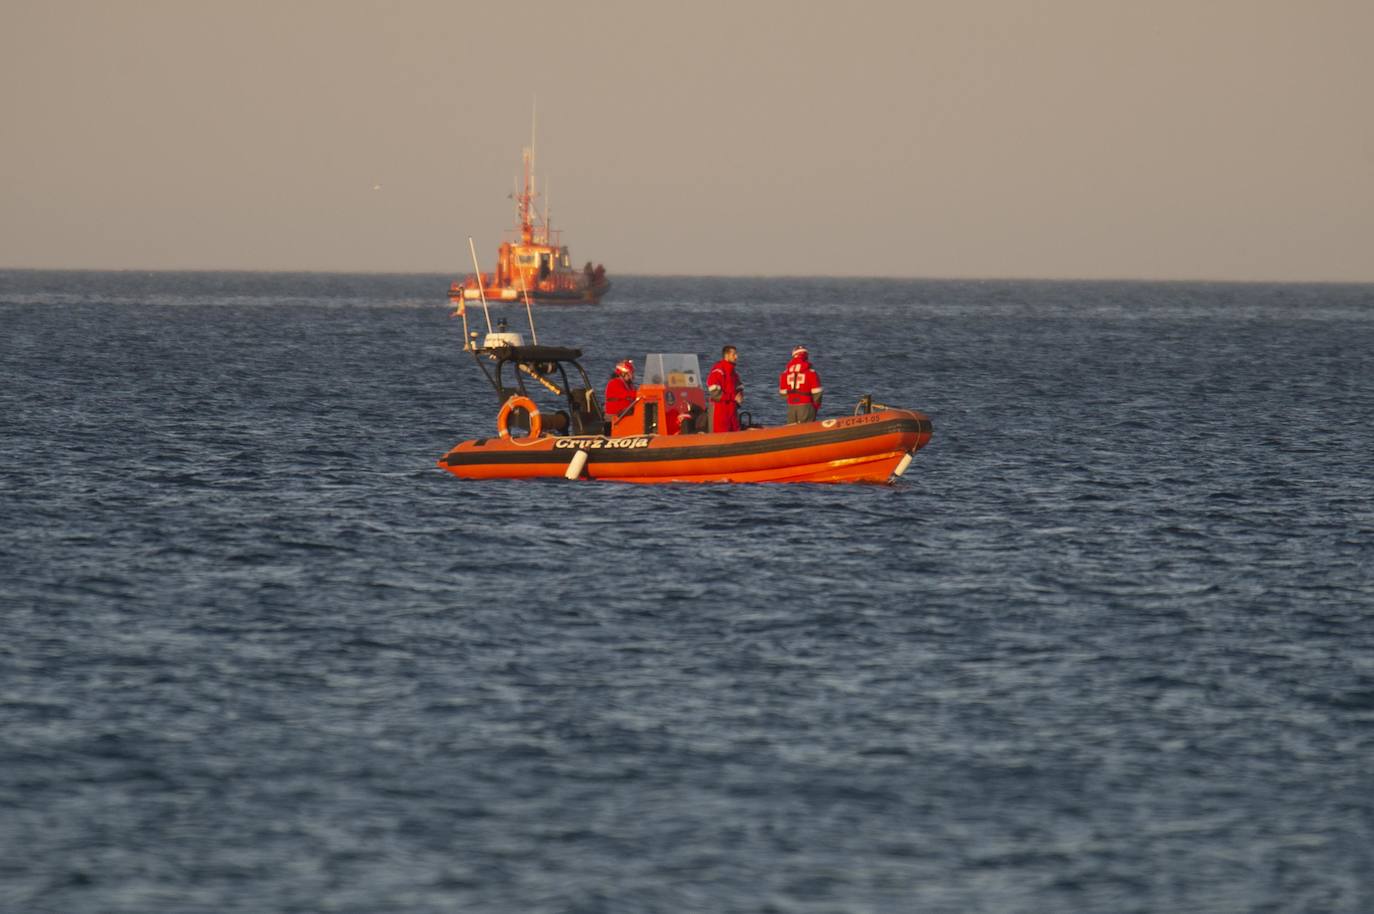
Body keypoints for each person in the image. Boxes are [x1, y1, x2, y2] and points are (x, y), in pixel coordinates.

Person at [778, 345, 823, 423]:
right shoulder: (811, 372)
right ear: (806, 356)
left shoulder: (784, 373)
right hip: (806, 405)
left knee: (791, 429)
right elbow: (817, 393)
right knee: (807, 429)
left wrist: (793, 398)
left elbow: (782, 394)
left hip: (791, 407)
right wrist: (815, 406)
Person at [706, 345, 744, 432]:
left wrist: (740, 396)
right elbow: (715, 394)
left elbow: (739, 388)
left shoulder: (733, 373)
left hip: (732, 413)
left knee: (735, 434)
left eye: (736, 354)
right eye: (733, 354)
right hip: (719, 414)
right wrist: (733, 397)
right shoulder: (718, 371)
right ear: (726, 356)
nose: (736, 357)